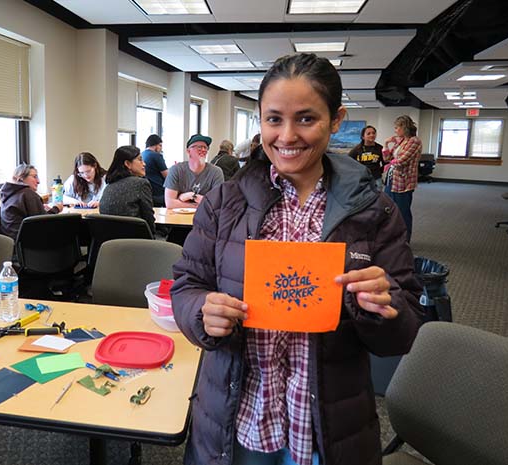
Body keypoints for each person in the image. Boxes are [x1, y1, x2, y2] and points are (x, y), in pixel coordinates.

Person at [170, 54, 423, 465]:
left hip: (328, 426)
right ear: (259, 119)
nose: (287, 136)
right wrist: (200, 311)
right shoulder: (224, 202)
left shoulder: (374, 211)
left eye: (306, 118)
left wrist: (384, 303)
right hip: (241, 418)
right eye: (273, 119)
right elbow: (186, 285)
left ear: (336, 119)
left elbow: (405, 330)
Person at [382, 115, 422, 242]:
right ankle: (393, 239)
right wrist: (386, 144)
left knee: (403, 212)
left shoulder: (414, 141)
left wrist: (390, 163)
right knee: (389, 211)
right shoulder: (400, 141)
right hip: (391, 180)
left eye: (397, 127)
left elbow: (402, 161)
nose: (395, 130)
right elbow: (386, 158)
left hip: (403, 183)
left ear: (404, 127)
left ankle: (405, 240)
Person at [99, 145, 155, 235]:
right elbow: (149, 218)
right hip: (136, 242)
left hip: (110, 242)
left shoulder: (109, 186)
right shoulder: (141, 183)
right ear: (128, 164)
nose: (144, 164)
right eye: (140, 159)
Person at [0, 163, 63, 240]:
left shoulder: (10, 193)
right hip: (29, 244)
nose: (38, 181)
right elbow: (44, 224)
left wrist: (42, 209)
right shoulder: (28, 194)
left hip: (13, 243)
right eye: (34, 176)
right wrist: (56, 208)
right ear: (21, 177)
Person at [164, 134, 224, 209]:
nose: (203, 150)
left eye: (205, 147)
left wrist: (192, 196)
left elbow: (217, 203)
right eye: (199, 147)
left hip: (206, 218)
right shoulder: (176, 170)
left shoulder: (216, 172)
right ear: (188, 151)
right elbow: (170, 203)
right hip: (178, 217)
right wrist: (201, 205)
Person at [142, 134, 168, 207]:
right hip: (159, 193)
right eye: (160, 145)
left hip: (148, 193)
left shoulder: (142, 154)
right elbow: (167, 176)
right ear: (156, 145)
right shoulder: (156, 155)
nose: (161, 148)